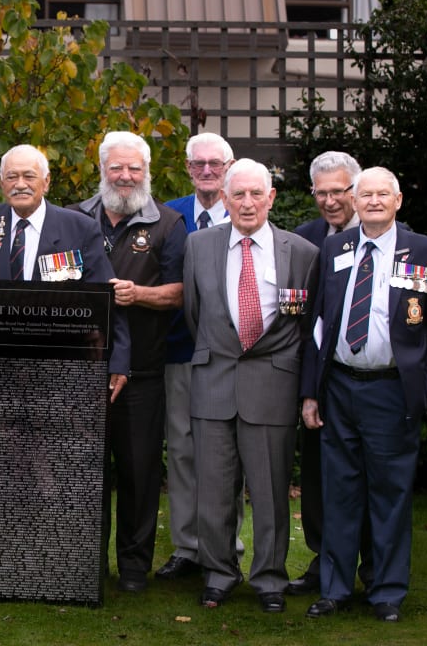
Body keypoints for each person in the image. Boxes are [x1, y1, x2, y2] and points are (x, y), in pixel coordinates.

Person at [301, 167, 427, 623]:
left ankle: (385, 591)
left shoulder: (425, 252)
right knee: (338, 493)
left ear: (398, 200)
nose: (374, 202)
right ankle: (335, 588)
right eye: (365, 195)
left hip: (391, 391)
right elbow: (316, 326)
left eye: (383, 194)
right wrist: (311, 393)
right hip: (339, 387)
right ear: (355, 200)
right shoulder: (335, 247)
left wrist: (423, 389)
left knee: (390, 493)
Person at [183, 158, 319, 613]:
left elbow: (304, 328)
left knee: (271, 494)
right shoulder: (199, 245)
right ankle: (218, 574)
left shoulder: (301, 252)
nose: (246, 203)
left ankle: (269, 579)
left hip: (271, 386)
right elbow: (195, 314)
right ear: (224, 199)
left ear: (271, 198)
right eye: (237, 194)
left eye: (255, 194)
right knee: (213, 493)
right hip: (214, 381)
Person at [66, 132, 186, 592]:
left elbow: (179, 292)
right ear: (101, 169)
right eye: (117, 167)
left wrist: (139, 295)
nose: (125, 176)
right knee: (83, 470)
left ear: (147, 172)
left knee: (138, 473)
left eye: (134, 168)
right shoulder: (74, 217)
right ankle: (85, 564)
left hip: (142, 372)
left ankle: (134, 568)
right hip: (81, 368)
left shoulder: (168, 224)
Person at [0, 144, 131, 386]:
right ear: (1, 183)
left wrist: (119, 360)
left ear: (47, 182)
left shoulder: (79, 229)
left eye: (29, 176)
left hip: (61, 367)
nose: (20, 184)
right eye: (12, 177)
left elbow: (105, 298)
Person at [157, 132, 245, 580]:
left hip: (234, 359)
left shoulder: (247, 210)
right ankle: (188, 546)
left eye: (216, 163)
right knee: (184, 451)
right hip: (181, 352)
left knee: (229, 451)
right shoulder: (168, 216)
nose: (208, 171)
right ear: (188, 168)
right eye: (199, 164)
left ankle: (227, 541)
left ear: (228, 167)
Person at [289, 150, 371, 595]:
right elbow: (303, 321)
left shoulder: (399, 239)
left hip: (373, 380)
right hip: (321, 381)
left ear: (355, 191)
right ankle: (324, 562)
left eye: (338, 191)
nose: (329, 201)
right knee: (319, 475)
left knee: (371, 477)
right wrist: (306, 389)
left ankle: (373, 569)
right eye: (320, 192)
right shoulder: (305, 239)